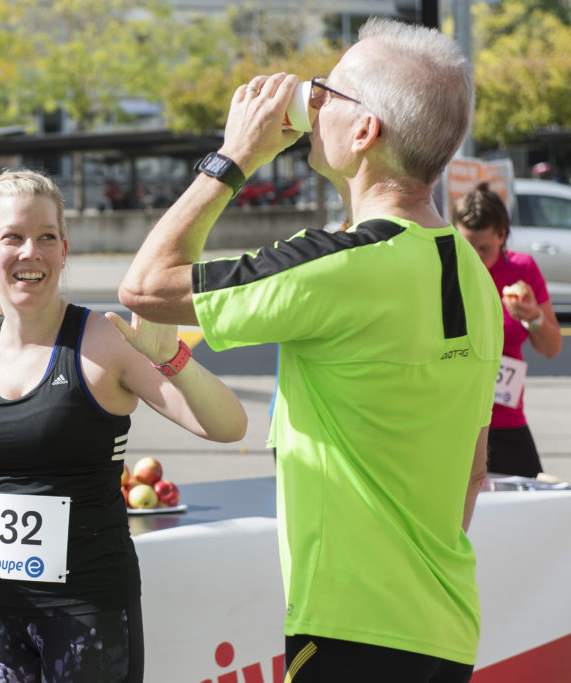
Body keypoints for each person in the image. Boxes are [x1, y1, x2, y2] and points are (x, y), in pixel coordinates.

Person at [118, 18, 501, 683]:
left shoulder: (339, 266)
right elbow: (471, 473)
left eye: (328, 90)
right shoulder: (474, 275)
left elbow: (146, 285)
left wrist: (233, 156)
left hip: (350, 631)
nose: (311, 100)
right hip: (445, 628)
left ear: (365, 132)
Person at [0, 169, 247, 682]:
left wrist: (171, 357)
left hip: (88, 609)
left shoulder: (105, 341)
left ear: (64, 250)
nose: (29, 252)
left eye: (46, 237)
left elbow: (228, 427)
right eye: (12, 237)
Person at [453, 182, 562, 477]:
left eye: (484, 248)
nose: (475, 256)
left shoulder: (522, 270)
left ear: (502, 235)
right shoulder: (446, 269)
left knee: (527, 508)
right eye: (466, 246)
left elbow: (552, 348)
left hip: (505, 419)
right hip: (454, 420)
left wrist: (534, 317)